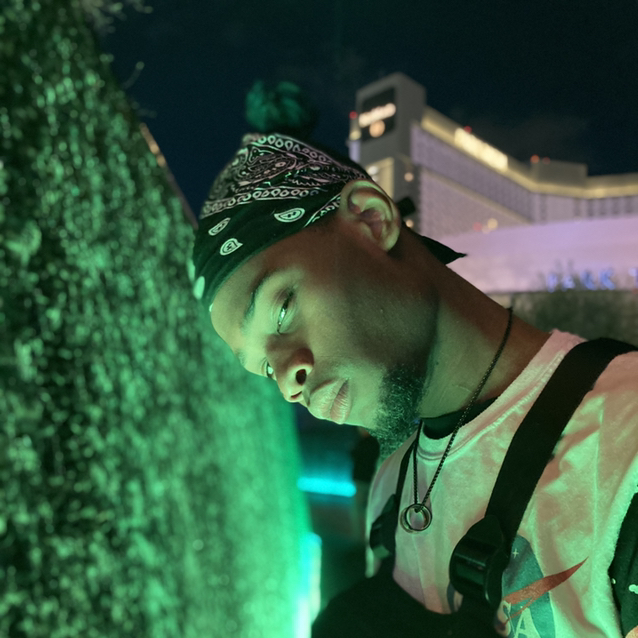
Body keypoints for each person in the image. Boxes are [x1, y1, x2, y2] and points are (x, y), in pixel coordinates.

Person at [191, 132, 638, 637]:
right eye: (264, 369)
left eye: (282, 309)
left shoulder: (623, 449)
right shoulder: (390, 487)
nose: (287, 382)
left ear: (371, 219)